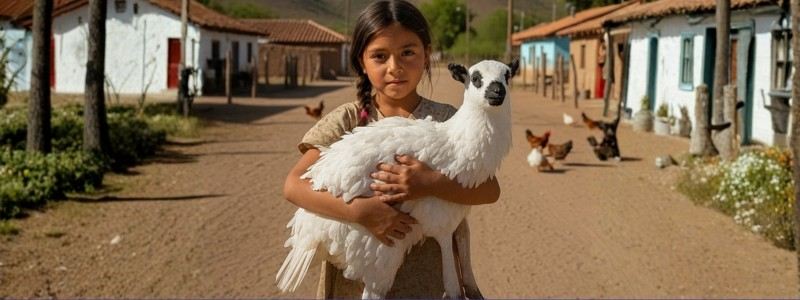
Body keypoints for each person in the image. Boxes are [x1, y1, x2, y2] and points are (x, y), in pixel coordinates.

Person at [282, 0, 500, 297]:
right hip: (353, 285)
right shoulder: (347, 120)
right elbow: (294, 185)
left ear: (426, 56)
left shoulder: (448, 120)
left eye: (407, 53)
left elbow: (490, 189)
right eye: (380, 56)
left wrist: (430, 183)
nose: (395, 67)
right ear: (362, 61)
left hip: (428, 284)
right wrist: (360, 211)